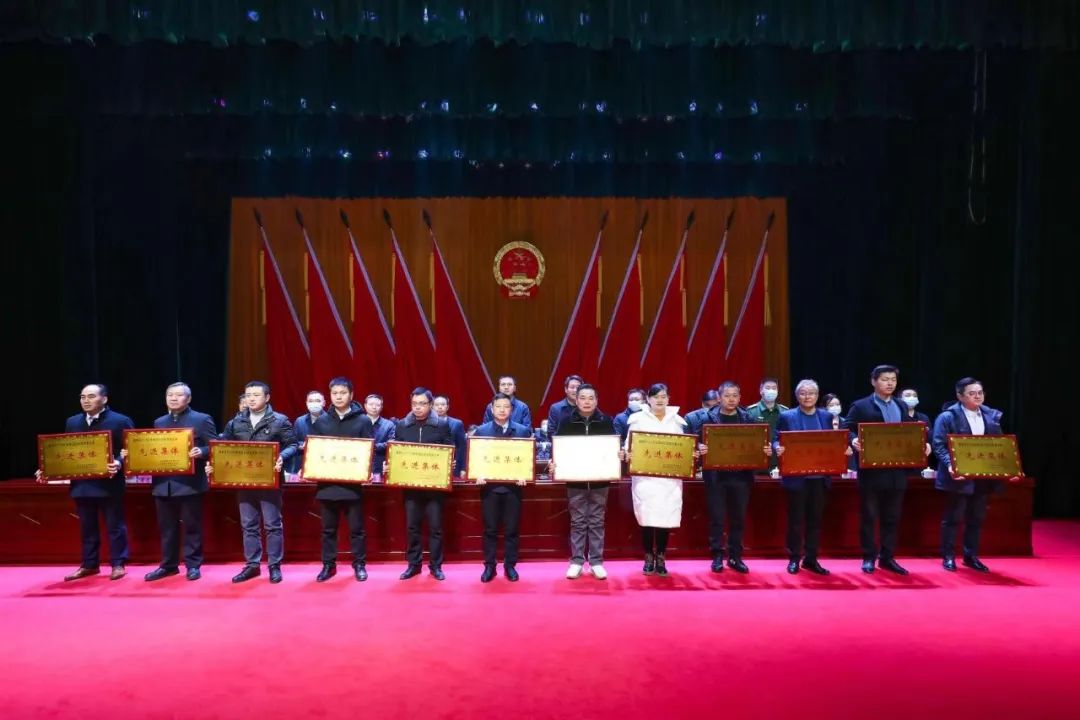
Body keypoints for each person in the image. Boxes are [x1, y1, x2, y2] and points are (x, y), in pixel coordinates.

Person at [35, 384, 134, 581]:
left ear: (104, 399)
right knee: (87, 527)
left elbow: (132, 449)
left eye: (91, 396)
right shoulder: (72, 422)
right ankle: (89, 565)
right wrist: (47, 469)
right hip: (81, 485)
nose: (86, 400)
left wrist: (118, 463)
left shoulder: (120, 420)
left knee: (115, 526)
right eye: (82, 397)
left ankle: (118, 564)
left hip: (109, 484)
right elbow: (65, 452)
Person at [844, 365, 930, 575]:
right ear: (873, 381)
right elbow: (846, 428)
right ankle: (868, 558)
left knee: (892, 516)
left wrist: (923, 443)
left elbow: (909, 432)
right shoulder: (861, 405)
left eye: (893, 379)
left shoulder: (901, 405)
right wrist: (853, 440)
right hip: (871, 472)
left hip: (897, 471)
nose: (890, 383)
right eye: (884, 379)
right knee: (869, 516)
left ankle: (887, 557)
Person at [209, 381, 297, 584]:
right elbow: (223, 446)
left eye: (256, 395)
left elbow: (293, 444)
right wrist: (214, 465)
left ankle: (274, 565)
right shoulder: (236, 421)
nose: (251, 398)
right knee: (249, 525)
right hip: (244, 481)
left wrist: (281, 456)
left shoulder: (280, 420)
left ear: (267, 397)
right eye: (248, 395)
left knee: (273, 525)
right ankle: (252, 565)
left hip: (270, 480)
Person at [932, 377, 1016, 573]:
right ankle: (948, 556)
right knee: (953, 517)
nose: (977, 396)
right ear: (960, 396)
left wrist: (1008, 469)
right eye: (972, 393)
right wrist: (951, 465)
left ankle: (971, 556)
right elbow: (938, 445)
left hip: (983, 476)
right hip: (958, 476)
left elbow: (999, 446)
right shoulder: (947, 417)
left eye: (980, 393)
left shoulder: (991, 416)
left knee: (976, 518)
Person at [774, 380, 851, 575]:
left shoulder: (826, 416)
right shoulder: (786, 416)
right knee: (796, 520)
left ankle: (811, 559)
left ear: (817, 396)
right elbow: (776, 438)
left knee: (815, 521)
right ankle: (794, 558)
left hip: (820, 478)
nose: (807, 396)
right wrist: (777, 447)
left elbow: (833, 441)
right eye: (803, 393)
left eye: (811, 393)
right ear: (797, 396)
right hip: (796, 478)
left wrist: (844, 449)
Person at [143, 382, 216, 582]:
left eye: (178, 395)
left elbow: (216, 446)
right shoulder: (159, 422)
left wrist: (202, 451)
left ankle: (193, 566)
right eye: (170, 395)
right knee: (167, 529)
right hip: (163, 484)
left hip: (190, 484)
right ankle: (168, 565)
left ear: (188, 399)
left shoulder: (201, 419)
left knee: (192, 527)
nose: (173, 398)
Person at [698, 381, 771, 573]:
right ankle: (717, 555)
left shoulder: (748, 418)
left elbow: (757, 443)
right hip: (716, 477)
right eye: (727, 395)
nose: (731, 399)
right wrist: (699, 448)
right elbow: (695, 442)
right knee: (717, 518)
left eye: (735, 395)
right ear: (719, 397)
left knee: (738, 518)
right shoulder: (707, 418)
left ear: (740, 397)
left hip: (741, 477)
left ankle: (735, 556)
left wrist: (764, 450)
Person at [549, 383, 617, 580]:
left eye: (591, 398)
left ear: (596, 401)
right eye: (583, 398)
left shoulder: (606, 421)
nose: (587, 402)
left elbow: (613, 448)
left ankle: (596, 562)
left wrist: (618, 455)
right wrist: (555, 463)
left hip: (600, 479)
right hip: (575, 480)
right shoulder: (566, 422)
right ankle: (577, 561)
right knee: (578, 521)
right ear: (576, 400)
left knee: (596, 521)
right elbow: (558, 448)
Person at [625, 383, 693, 576]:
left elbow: (683, 447)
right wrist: (627, 453)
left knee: (665, 517)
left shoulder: (677, 421)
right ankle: (648, 556)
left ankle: (661, 557)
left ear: (668, 399)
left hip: (669, 480)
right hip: (645, 478)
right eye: (656, 397)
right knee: (647, 517)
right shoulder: (637, 420)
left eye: (663, 396)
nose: (660, 400)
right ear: (648, 399)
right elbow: (629, 445)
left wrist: (690, 454)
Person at [310, 377, 373, 582]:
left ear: (351, 395)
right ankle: (328, 565)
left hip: (353, 485)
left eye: (343, 393)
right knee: (328, 530)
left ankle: (359, 565)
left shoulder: (363, 420)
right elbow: (315, 451)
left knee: (357, 530)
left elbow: (369, 450)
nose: (338, 397)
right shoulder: (321, 421)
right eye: (334, 393)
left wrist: (367, 471)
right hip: (327, 485)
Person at [395, 387, 455, 580]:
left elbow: (449, 448)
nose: (418, 407)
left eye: (422, 404)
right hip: (411, 487)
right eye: (414, 404)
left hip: (434, 487)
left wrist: (450, 461)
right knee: (412, 527)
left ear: (430, 405)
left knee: (436, 528)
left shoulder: (442, 425)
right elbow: (397, 451)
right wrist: (391, 464)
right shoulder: (402, 425)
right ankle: (414, 565)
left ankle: (436, 566)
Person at [472, 393, 532, 582]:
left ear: (511, 410)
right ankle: (489, 566)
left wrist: (525, 474)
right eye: (498, 406)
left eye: (506, 407)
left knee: (511, 529)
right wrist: (477, 474)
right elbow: (476, 459)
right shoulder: (482, 431)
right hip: (489, 488)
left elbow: (527, 459)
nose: (502, 410)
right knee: (490, 529)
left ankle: (510, 565)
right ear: (492, 409)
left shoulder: (522, 431)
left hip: (513, 488)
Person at [747, 378, 789, 470]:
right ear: (761, 391)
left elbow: (789, 436)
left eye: (774, 388)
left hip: (780, 461)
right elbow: (747, 437)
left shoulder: (785, 411)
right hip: (759, 462)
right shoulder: (751, 411)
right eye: (768, 388)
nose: (771, 391)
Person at [285, 390, 325, 477]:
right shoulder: (300, 421)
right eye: (311, 401)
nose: (314, 404)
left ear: (324, 403)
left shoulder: (331, 420)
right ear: (306, 403)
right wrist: (302, 445)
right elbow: (293, 442)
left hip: (323, 462)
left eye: (318, 401)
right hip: (303, 461)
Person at [433, 394, 468, 479]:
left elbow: (462, 447)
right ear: (432, 407)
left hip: (453, 466)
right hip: (434, 465)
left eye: (443, 404)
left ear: (447, 407)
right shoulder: (427, 424)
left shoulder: (457, 424)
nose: (440, 407)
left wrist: (463, 468)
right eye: (437, 405)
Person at [364, 393, 396, 481]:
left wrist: (373, 446)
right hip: (361, 463)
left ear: (381, 407)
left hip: (380, 464)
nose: (374, 407)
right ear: (365, 406)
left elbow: (391, 443)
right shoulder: (358, 422)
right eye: (371, 404)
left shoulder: (389, 425)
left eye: (377, 405)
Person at [823, 393, 856, 475]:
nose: (835, 407)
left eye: (837, 404)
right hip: (826, 461)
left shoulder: (845, 422)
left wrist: (853, 444)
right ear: (824, 407)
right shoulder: (821, 422)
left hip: (846, 462)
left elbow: (852, 437)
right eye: (831, 405)